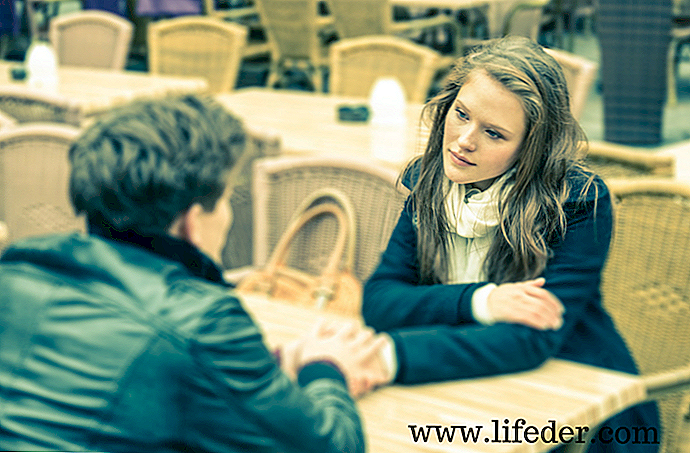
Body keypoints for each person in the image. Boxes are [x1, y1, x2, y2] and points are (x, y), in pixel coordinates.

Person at [0, 95, 386, 452]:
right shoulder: (206, 322)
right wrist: (327, 367)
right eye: (226, 201)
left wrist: (274, 361)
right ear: (193, 222)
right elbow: (332, 446)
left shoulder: (18, 269)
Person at [363, 37, 660, 452]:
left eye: (494, 133)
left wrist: (391, 357)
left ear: (530, 149)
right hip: (471, 391)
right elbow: (379, 301)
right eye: (461, 114)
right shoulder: (429, 181)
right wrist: (482, 302)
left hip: (584, 417)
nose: (464, 140)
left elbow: (530, 340)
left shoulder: (577, 203)